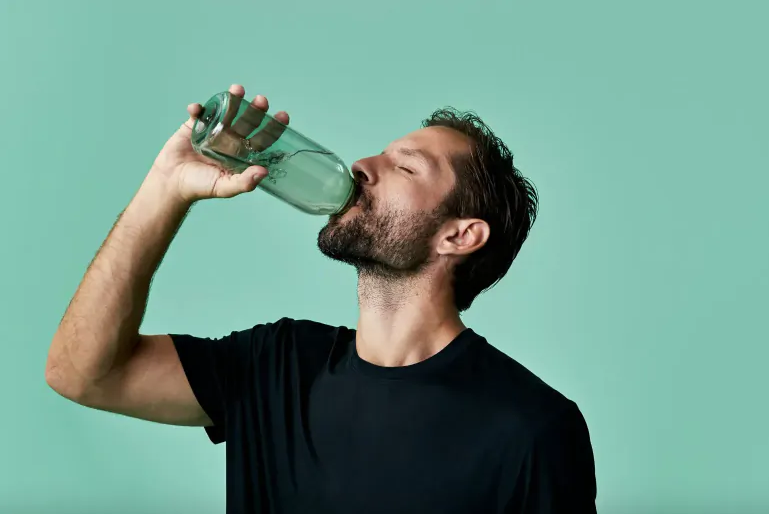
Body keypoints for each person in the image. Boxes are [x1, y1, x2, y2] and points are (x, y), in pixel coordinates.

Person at [45, 83, 597, 513]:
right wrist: (164, 188)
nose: (362, 166)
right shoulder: (277, 365)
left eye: (405, 166)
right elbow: (82, 372)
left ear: (458, 235)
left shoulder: (532, 427)